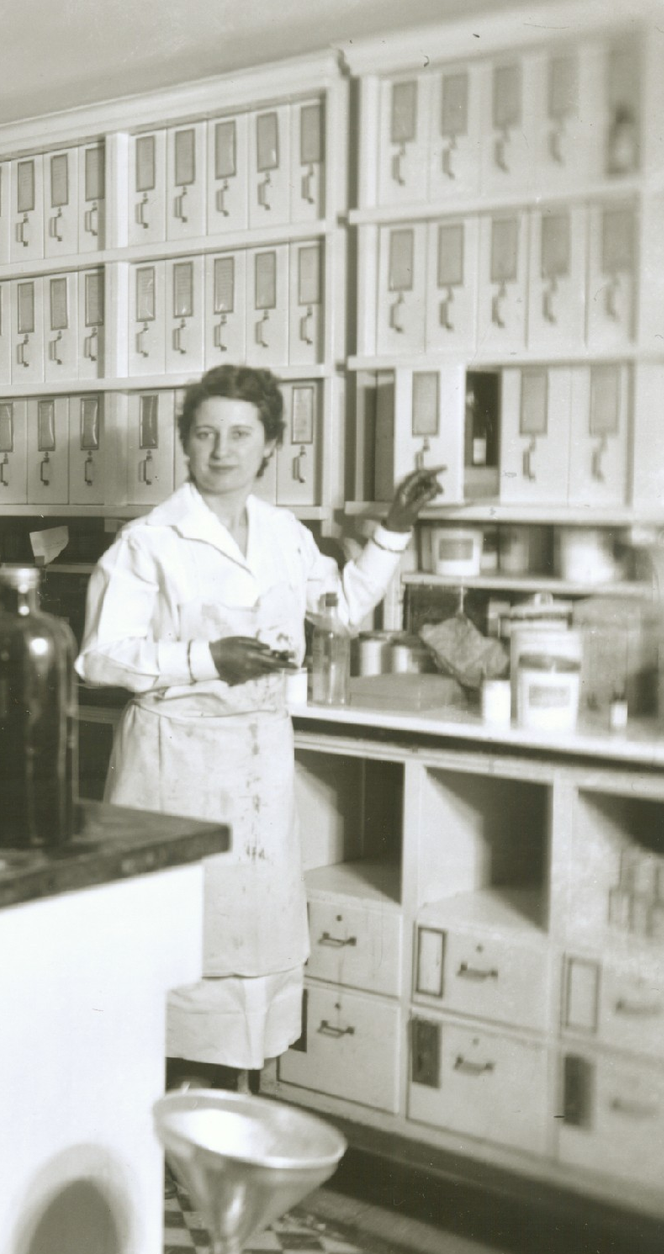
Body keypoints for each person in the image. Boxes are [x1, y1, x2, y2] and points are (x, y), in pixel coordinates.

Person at [76, 365, 441, 1090]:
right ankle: (169, 1135)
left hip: (257, 765)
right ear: (184, 442)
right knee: (179, 952)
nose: (222, 449)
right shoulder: (149, 542)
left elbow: (340, 607)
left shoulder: (284, 535)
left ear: (271, 444)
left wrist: (394, 532)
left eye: (241, 434)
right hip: (174, 767)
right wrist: (205, 657)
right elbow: (98, 660)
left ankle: (225, 1123)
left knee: (252, 950)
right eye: (205, 433)